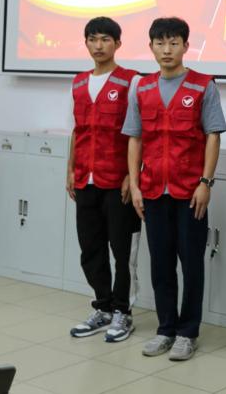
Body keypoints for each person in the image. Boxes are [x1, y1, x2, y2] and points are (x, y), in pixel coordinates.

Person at [122, 17, 226, 361]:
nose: (167, 50)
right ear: (151, 47)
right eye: (160, 43)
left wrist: (206, 183)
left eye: (174, 43)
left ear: (186, 46)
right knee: (161, 265)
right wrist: (135, 185)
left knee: (191, 264)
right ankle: (166, 329)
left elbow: (213, 136)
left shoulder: (203, 86)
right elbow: (135, 139)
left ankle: (188, 332)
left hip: (189, 192)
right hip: (153, 190)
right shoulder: (141, 88)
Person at [67, 17, 142, 343]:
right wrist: (70, 169)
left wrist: (131, 176)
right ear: (86, 43)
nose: (99, 45)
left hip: (117, 181)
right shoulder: (78, 83)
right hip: (85, 179)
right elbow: (77, 131)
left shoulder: (132, 81)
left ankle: (123, 312)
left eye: (105, 39)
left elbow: (139, 134)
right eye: (93, 39)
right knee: (90, 248)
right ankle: (103, 307)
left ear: (118, 44)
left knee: (122, 252)